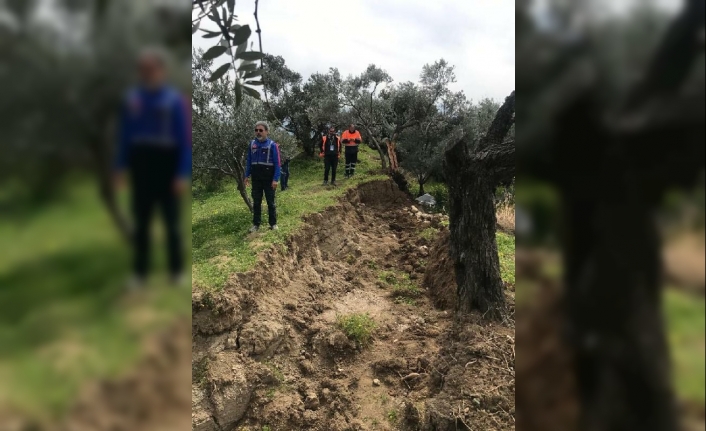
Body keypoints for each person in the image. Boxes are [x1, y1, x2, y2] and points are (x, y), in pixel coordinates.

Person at [113, 47, 191, 290]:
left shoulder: (175, 101)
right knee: (142, 222)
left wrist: (181, 172)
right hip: (141, 164)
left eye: (152, 69)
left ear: (161, 71)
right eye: (143, 70)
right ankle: (140, 274)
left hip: (167, 163)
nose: (148, 73)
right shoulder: (133, 100)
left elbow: (184, 139)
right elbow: (125, 136)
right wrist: (120, 167)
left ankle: (176, 272)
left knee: (172, 222)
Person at [244, 121, 281, 232]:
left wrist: (275, 179)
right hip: (256, 177)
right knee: (256, 202)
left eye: (261, 130)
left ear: (266, 132)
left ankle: (273, 224)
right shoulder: (252, 144)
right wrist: (246, 175)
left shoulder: (272, 145)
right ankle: (256, 224)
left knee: (270, 202)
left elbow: (277, 163)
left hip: (268, 177)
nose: (258, 132)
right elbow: (249, 161)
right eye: (256, 130)